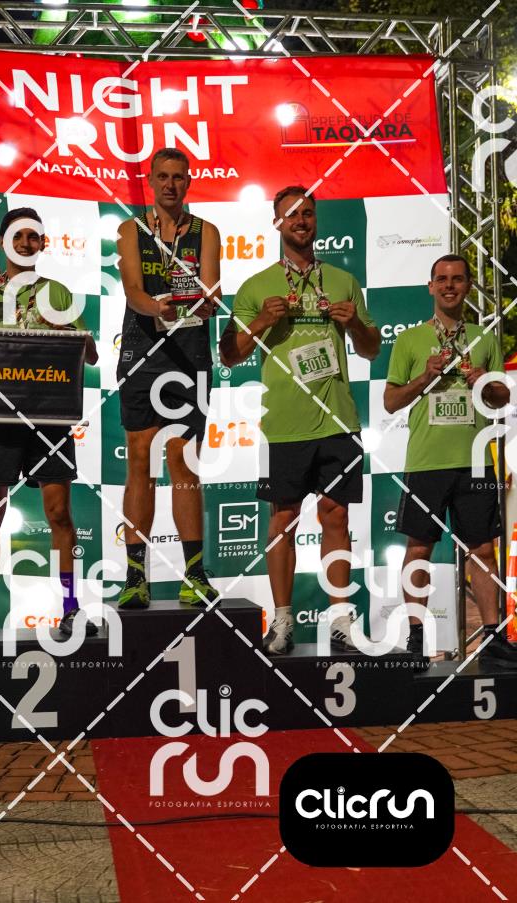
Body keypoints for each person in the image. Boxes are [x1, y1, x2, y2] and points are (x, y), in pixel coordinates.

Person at [220, 185, 380, 655]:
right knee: (283, 521)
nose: (301, 220)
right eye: (291, 214)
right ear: (277, 223)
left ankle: (341, 621)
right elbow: (228, 355)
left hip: (338, 420)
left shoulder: (343, 281)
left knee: (337, 515)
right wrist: (261, 323)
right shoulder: (256, 286)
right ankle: (283, 621)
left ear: (315, 220)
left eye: (307, 213)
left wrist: (355, 324)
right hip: (284, 423)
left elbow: (371, 349)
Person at [0, 207, 99, 640]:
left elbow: (91, 356)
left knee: (59, 513)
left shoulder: (57, 292)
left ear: (42, 244)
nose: (26, 243)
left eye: (33, 237)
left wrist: (69, 329)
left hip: (49, 417)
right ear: (2, 242)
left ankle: (71, 609)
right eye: (18, 236)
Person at [384, 253, 515, 669]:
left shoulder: (484, 338)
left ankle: (492, 637)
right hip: (426, 461)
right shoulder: (409, 340)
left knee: (483, 550)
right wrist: (424, 377)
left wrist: (485, 382)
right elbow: (390, 402)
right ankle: (415, 638)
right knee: (418, 548)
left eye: (457, 279)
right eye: (441, 279)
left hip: (473, 460)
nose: (449, 285)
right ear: (430, 287)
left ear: (468, 287)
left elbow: (502, 399)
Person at [116, 147, 221, 609]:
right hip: (142, 354)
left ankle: (193, 574)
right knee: (140, 460)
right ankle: (135, 577)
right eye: (163, 176)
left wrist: (206, 303)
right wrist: (157, 308)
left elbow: (211, 287)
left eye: (178, 177)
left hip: (190, 357)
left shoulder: (206, 231)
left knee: (183, 462)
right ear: (151, 181)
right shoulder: (131, 230)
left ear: (189, 181)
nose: (170, 185)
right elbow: (133, 291)